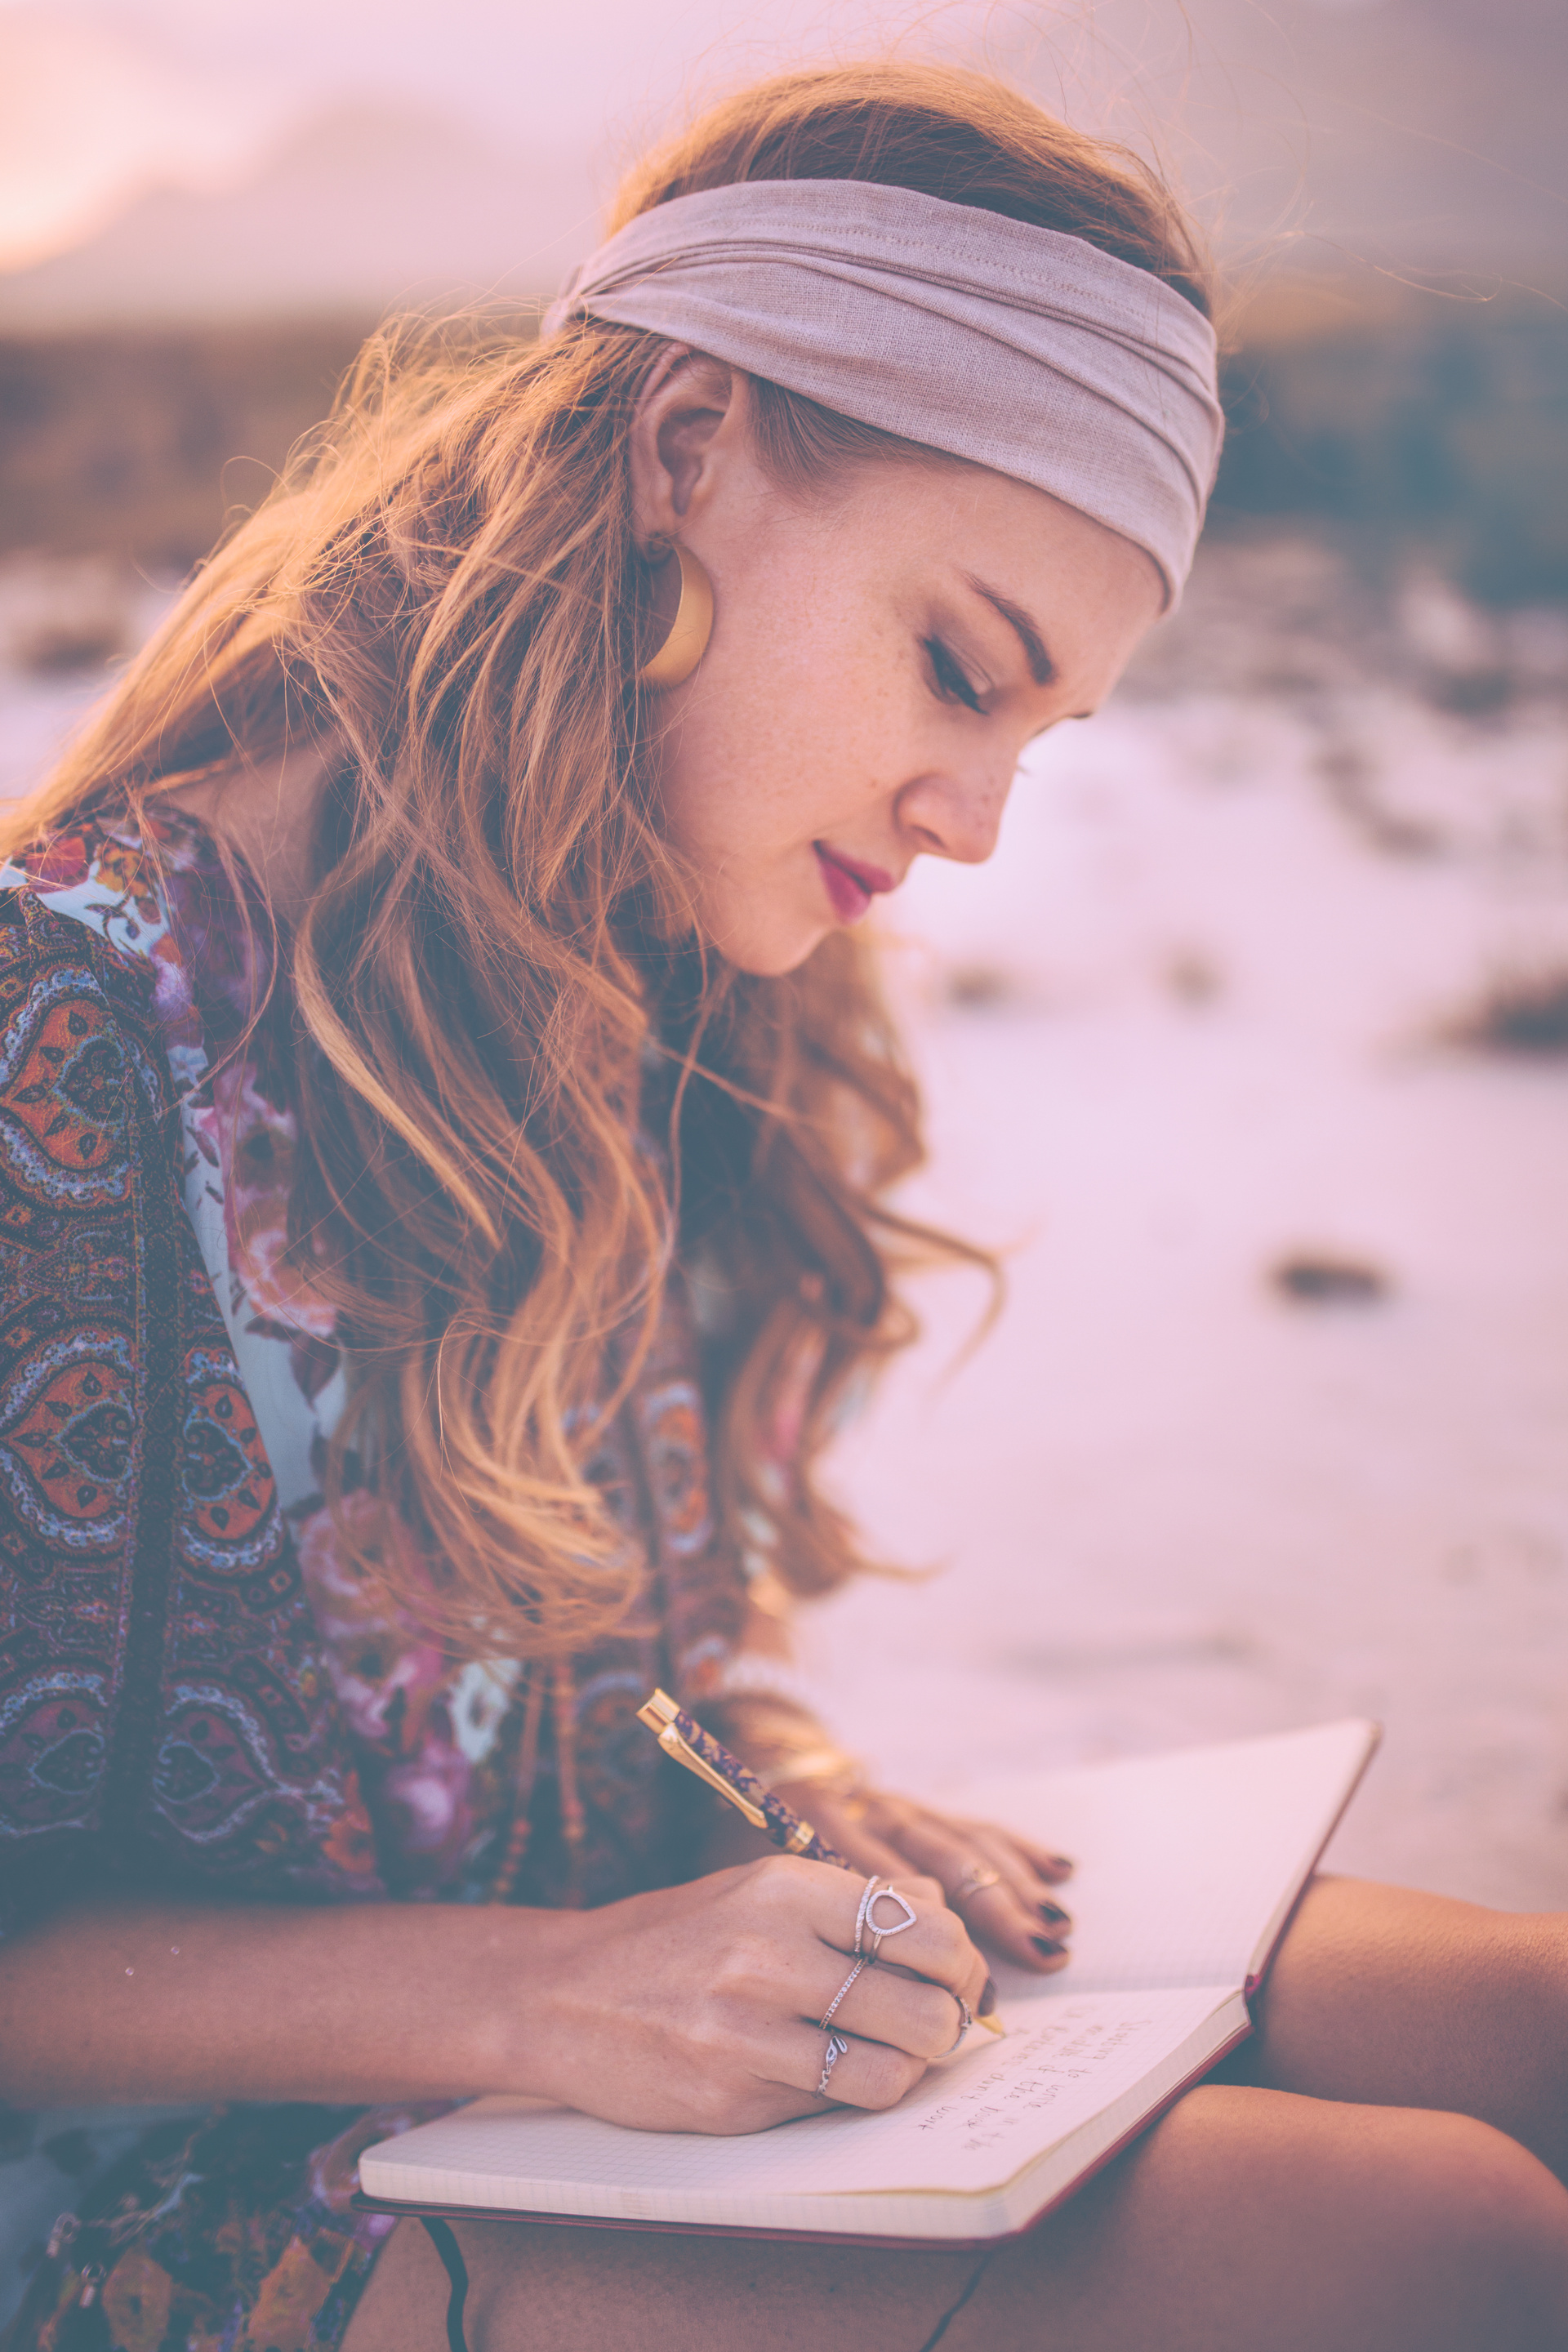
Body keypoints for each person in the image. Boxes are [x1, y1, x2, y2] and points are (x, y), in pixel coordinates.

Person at [0, 56, 1565, 2352]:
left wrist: (791, 1781)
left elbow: (635, 1652)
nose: (973, 822)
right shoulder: (65, 1044)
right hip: (176, 2185)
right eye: (961, 667)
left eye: (1043, 738)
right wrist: (546, 2000)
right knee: (1432, 2253)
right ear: (686, 449)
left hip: (626, 1994)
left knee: (1530, 2034)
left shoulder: (687, 964)